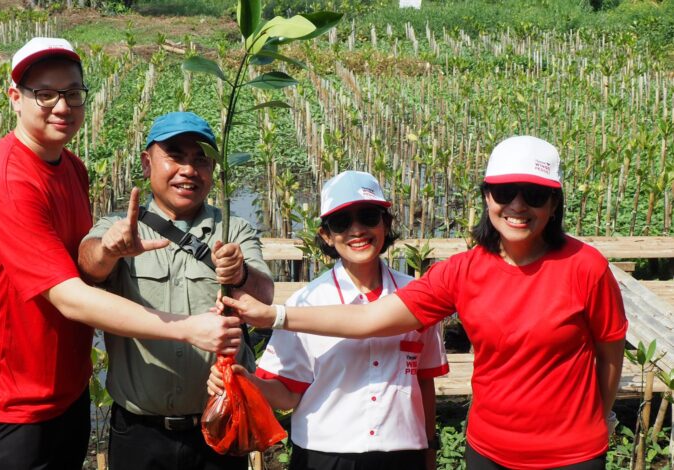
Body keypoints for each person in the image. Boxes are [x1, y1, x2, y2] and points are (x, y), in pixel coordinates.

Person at [222, 136, 628, 469]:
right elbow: (371, 319)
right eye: (505, 192)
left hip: (571, 453)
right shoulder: (461, 272)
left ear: (554, 203)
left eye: (535, 195)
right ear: (487, 198)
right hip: (488, 451)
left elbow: (610, 353)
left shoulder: (585, 267)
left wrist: (599, 418)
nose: (518, 206)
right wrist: (271, 315)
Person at [0, 38, 242, 470]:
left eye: (72, 93)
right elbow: (67, 294)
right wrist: (188, 328)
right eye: (44, 93)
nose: (61, 106)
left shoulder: (70, 168)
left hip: (67, 389)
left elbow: (52, 259)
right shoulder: (6, 181)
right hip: (12, 400)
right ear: (15, 98)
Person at [208, 171, 448, 470]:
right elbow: (287, 395)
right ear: (326, 236)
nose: (357, 230)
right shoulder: (305, 303)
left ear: (386, 223)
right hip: (325, 456)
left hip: (402, 455)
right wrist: (248, 380)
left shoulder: (417, 297)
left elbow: (424, 380)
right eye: (341, 222)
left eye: (368, 216)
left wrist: (429, 449)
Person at [77, 111, 275, 470]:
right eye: (175, 156)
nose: (189, 169)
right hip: (139, 433)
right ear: (146, 161)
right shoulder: (121, 227)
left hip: (218, 423)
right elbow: (88, 266)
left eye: (201, 160)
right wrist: (109, 249)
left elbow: (264, 296)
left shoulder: (234, 230)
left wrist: (241, 273)